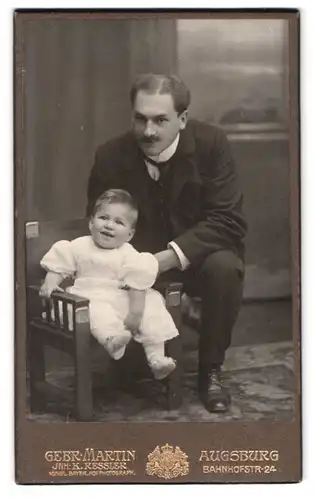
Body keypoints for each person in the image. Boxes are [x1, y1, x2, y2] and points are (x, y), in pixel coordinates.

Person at [86, 73, 248, 412]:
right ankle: (129, 358)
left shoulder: (212, 144)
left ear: (183, 119)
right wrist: (133, 264)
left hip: (196, 258)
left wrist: (166, 260)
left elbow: (227, 220)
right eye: (140, 119)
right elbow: (98, 219)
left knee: (225, 267)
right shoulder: (110, 156)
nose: (148, 131)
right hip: (134, 259)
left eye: (161, 120)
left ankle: (211, 371)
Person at [39, 189, 179, 381]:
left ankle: (157, 358)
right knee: (95, 311)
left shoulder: (129, 253)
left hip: (121, 298)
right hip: (89, 295)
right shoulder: (79, 246)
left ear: (129, 234)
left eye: (118, 222)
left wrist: (136, 313)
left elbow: (137, 282)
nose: (109, 225)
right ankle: (112, 339)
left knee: (152, 303)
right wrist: (51, 283)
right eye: (103, 218)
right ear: (91, 223)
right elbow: (59, 266)